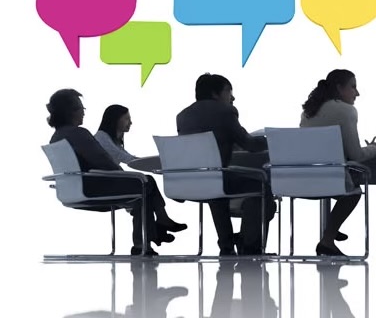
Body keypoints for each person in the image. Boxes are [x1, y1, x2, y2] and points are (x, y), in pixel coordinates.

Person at [46, 89, 186, 255]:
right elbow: (102, 161)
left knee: (141, 191)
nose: (83, 113)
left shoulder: (56, 137)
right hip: (93, 188)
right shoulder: (78, 133)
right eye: (81, 109)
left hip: (74, 190)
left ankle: (148, 238)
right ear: (71, 112)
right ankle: (149, 236)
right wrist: (124, 175)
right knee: (144, 183)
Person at [176, 73, 274, 256]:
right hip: (216, 178)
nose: (233, 97)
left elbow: (209, 140)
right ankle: (249, 244)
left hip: (189, 180)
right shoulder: (225, 111)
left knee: (216, 187)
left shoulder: (183, 116)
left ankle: (227, 245)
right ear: (215, 93)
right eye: (229, 91)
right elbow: (249, 144)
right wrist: (272, 140)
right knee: (260, 185)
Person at [299, 69, 376, 256]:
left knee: (342, 180)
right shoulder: (346, 111)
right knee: (353, 192)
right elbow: (357, 155)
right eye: (353, 87)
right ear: (339, 88)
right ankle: (328, 238)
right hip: (330, 179)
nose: (357, 93)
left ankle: (332, 228)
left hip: (301, 180)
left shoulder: (308, 111)